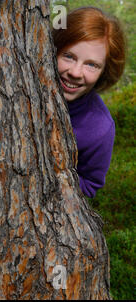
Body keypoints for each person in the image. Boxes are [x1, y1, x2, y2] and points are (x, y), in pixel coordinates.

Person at [53, 7, 126, 198]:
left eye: (91, 65)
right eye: (69, 56)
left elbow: (91, 184)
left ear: (104, 71)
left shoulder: (100, 128)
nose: (76, 73)